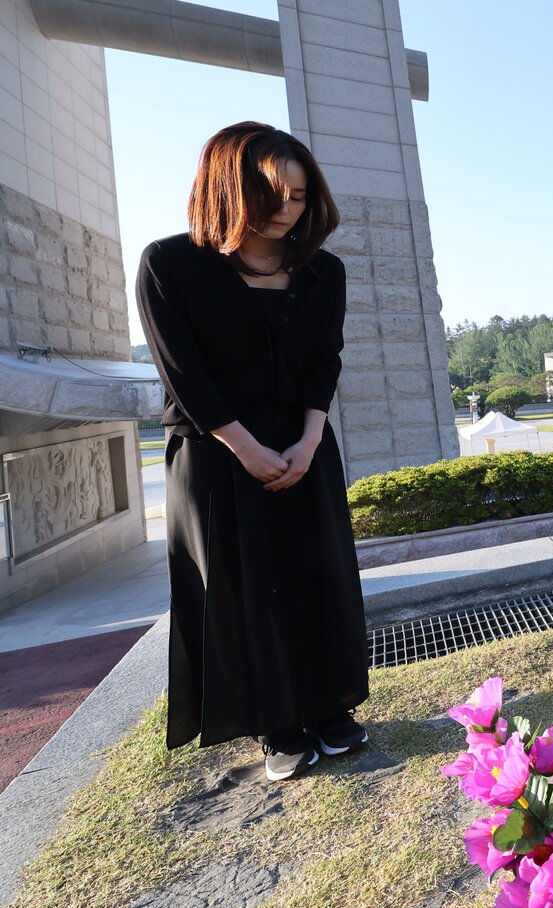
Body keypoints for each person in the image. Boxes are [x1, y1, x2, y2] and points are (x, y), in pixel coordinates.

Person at [137, 122, 369, 782]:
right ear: (225, 186)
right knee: (246, 590)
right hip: (217, 455)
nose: (287, 209)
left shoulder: (323, 272)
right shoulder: (169, 265)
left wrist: (308, 439)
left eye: (299, 196)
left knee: (316, 574)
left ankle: (328, 707)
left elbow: (326, 359)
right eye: (271, 192)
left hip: (303, 446)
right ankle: (276, 724)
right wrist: (246, 448)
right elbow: (185, 373)